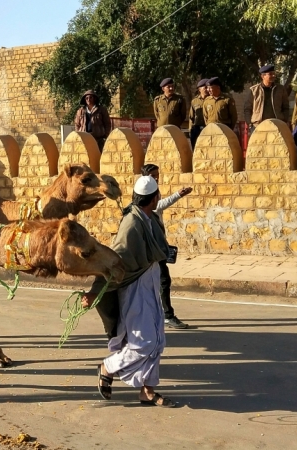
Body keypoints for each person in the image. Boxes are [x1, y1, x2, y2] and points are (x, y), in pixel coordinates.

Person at [83, 175, 175, 408]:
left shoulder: (149, 217)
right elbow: (116, 259)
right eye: (157, 196)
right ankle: (107, 367)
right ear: (153, 198)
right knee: (144, 342)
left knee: (157, 340)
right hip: (135, 287)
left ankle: (147, 391)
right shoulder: (132, 224)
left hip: (150, 281)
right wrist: (96, 292)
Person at [141, 164, 192, 329]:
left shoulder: (152, 190)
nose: (156, 178)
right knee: (162, 280)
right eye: (153, 176)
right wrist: (178, 195)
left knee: (156, 280)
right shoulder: (145, 193)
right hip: (152, 245)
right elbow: (157, 207)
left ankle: (154, 313)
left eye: (158, 175)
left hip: (157, 242)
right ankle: (167, 315)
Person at [244, 64, 291, 134]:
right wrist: (250, 124)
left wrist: (284, 120)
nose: (273, 76)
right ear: (263, 76)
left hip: (277, 125)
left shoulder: (281, 89)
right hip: (258, 126)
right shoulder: (254, 90)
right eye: (270, 74)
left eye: (274, 74)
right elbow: (247, 109)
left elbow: (286, 107)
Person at [189, 79, 208, 148]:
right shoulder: (194, 101)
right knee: (195, 147)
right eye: (205, 88)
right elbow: (191, 116)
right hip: (197, 128)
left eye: (208, 87)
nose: (207, 89)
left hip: (207, 127)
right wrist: (190, 130)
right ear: (199, 89)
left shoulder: (211, 99)